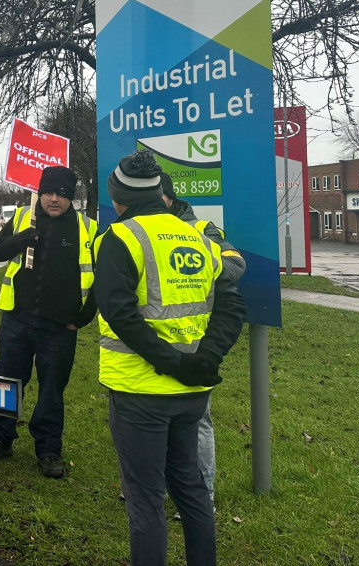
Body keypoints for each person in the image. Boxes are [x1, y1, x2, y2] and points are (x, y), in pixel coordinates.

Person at [93, 150, 246, 566]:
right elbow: (232, 305)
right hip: (192, 391)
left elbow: (119, 314)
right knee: (191, 490)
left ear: (118, 197)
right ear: (159, 191)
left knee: (146, 502)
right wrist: (203, 359)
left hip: (139, 392)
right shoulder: (196, 236)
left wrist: (171, 362)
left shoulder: (119, 238)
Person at [0, 165, 98, 478]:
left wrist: (83, 318)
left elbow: (102, 279)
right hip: (17, 322)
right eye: (48, 192)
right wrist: (20, 239)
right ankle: (1, 437)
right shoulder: (23, 217)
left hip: (60, 328)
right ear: (40, 192)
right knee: (7, 383)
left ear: (70, 197)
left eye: (61, 194)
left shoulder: (88, 228)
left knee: (52, 390)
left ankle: (48, 449)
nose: (53, 199)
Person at [161, 171, 246, 509]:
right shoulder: (138, 228)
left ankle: (201, 494)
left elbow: (235, 263)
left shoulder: (200, 229)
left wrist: (197, 266)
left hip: (193, 343)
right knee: (152, 422)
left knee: (195, 422)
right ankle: (153, 487)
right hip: (150, 342)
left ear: (169, 198)